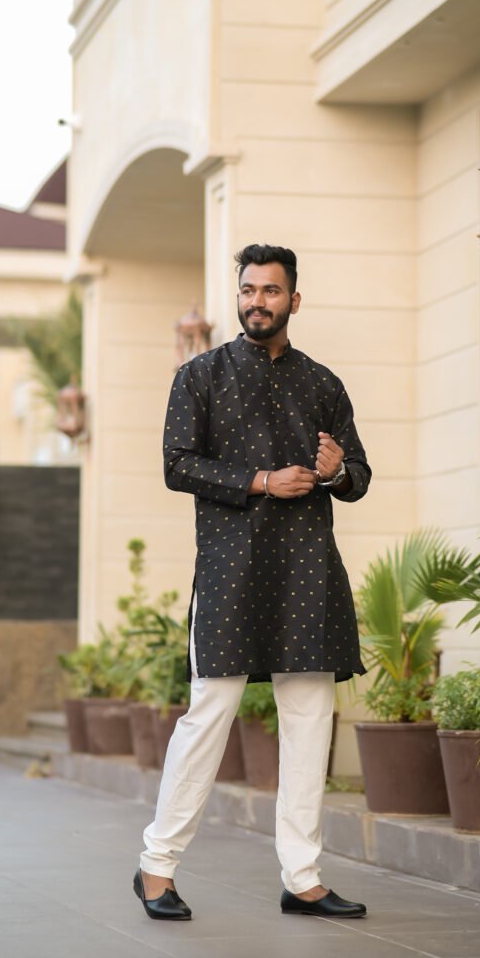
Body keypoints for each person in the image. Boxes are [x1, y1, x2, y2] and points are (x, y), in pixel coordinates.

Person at [134, 243, 372, 921]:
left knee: (309, 720)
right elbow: (177, 464)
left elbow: (357, 475)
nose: (257, 302)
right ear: (237, 296)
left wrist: (336, 470)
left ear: (293, 300)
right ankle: (156, 867)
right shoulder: (200, 376)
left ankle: (303, 877)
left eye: (270, 291)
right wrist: (262, 480)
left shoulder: (322, 383)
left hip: (306, 570)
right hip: (231, 569)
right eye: (248, 290)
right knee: (208, 715)